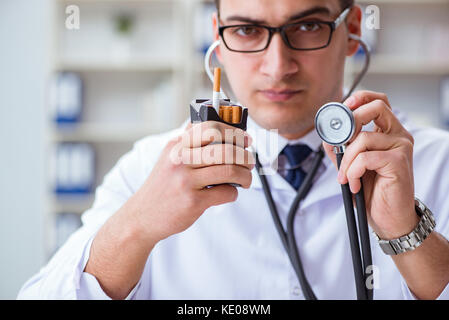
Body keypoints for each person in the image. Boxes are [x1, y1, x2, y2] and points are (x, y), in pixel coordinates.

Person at [18, 0, 449, 300]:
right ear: (218, 39)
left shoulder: (434, 163)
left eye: (307, 26)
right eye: (246, 30)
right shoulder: (148, 169)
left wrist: (407, 233)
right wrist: (137, 225)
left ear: (352, 30)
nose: (278, 65)